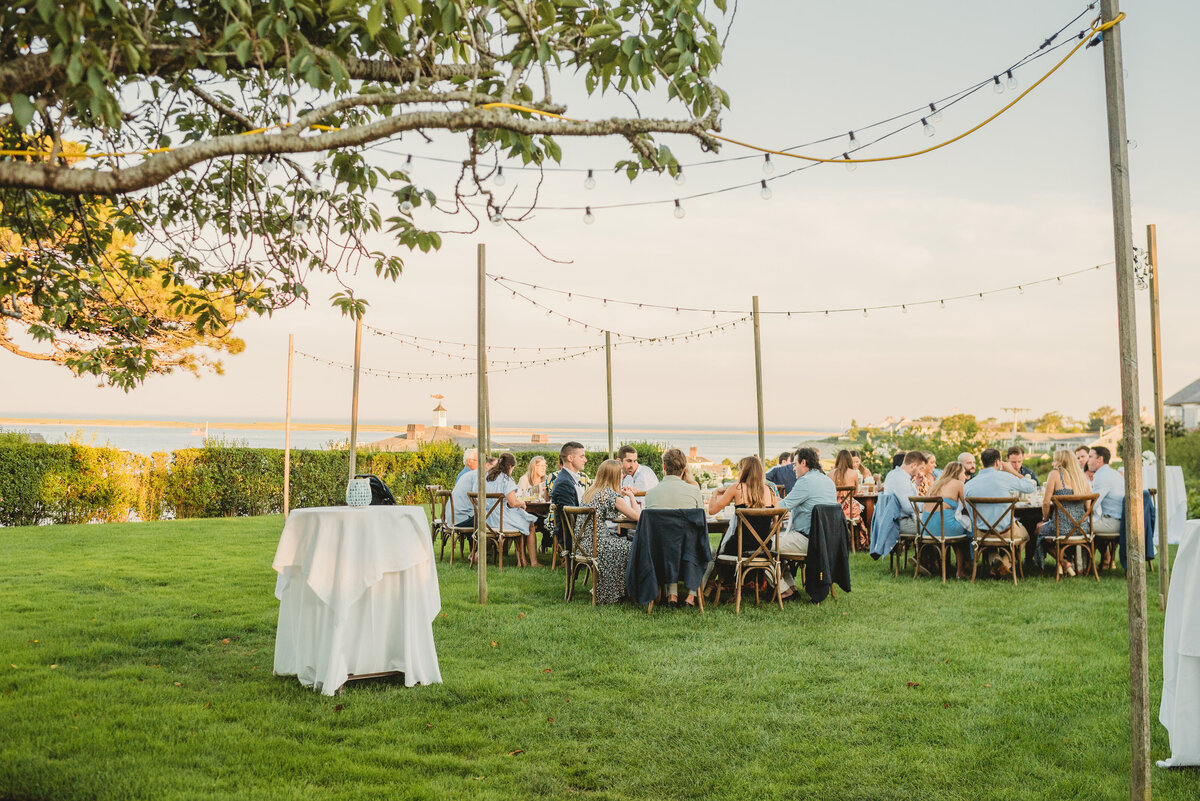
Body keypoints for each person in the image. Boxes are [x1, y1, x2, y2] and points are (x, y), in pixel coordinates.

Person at [709, 456, 795, 601]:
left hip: (739, 547)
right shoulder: (770, 492)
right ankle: (738, 587)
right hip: (764, 548)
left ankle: (718, 586)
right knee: (728, 541)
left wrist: (715, 494)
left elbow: (712, 511)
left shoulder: (737, 488)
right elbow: (777, 524)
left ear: (744, 471)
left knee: (724, 544)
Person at [644, 447, 705, 606]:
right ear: (685, 469)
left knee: (670, 548)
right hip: (688, 549)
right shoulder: (694, 491)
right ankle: (691, 596)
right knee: (708, 553)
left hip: (659, 551)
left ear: (664, 467)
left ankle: (672, 595)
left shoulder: (651, 494)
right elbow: (701, 521)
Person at [963, 448, 1037, 576]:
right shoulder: (1006, 477)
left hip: (981, 533)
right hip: (1005, 533)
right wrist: (1013, 471)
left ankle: (996, 562)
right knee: (1026, 536)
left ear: (982, 462)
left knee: (990, 543)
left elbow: (970, 513)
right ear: (998, 462)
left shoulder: (969, 485)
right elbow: (1031, 487)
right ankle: (1005, 563)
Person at [577, 459, 642, 604]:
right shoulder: (610, 495)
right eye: (620, 474)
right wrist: (631, 496)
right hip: (598, 545)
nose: (622, 477)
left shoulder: (590, 492)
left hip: (582, 544)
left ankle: (618, 588)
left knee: (625, 543)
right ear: (614, 476)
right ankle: (625, 591)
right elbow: (638, 517)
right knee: (633, 547)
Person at [777, 447, 838, 596]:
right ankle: (790, 587)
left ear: (804, 462)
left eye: (795, 464)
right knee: (775, 544)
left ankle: (785, 589)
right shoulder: (827, 481)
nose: (793, 468)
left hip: (809, 541)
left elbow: (780, 507)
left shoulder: (805, 481)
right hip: (827, 542)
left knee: (763, 546)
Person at [1034, 449, 1093, 576]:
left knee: (1039, 531)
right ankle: (1064, 563)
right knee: (1047, 530)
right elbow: (1088, 507)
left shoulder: (1055, 474)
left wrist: (1044, 520)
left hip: (1061, 528)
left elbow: (1045, 502)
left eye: (1054, 460)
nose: (1052, 463)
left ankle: (1063, 562)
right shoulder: (1082, 477)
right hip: (1082, 528)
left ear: (1060, 461)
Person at [485, 453, 540, 567]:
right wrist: (521, 503)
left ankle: (522, 560)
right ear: (510, 466)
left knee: (521, 519)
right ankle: (533, 562)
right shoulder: (506, 479)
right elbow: (513, 502)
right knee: (529, 523)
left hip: (486, 520)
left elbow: (476, 498)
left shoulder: (486, 477)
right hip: (500, 520)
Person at [919, 462, 971, 579]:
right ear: (957, 473)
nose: (965, 476)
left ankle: (948, 566)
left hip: (926, 529)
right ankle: (963, 568)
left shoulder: (936, 484)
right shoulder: (958, 484)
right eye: (964, 473)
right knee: (968, 528)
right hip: (944, 529)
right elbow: (968, 506)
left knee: (959, 527)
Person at [1088, 445, 1124, 568]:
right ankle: (1103, 560)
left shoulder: (1101, 476)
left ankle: (1081, 566)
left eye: (1090, 456)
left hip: (1113, 522)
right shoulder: (1113, 473)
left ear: (1100, 459)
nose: (1088, 460)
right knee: (1084, 524)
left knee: (1077, 526)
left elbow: (1093, 505)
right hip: (1120, 519)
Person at [550, 441, 587, 549]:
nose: (585, 460)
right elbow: (571, 517)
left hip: (581, 532)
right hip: (576, 539)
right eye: (582, 457)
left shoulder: (570, 479)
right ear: (570, 458)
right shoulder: (564, 482)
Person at [884, 450, 927, 537]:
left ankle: (924, 550)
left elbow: (909, 498)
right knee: (936, 527)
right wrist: (927, 505)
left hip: (901, 520)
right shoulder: (900, 479)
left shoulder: (897, 474)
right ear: (913, 465)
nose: (920, 472)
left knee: (935, 523)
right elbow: (909, 507)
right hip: (900, 523)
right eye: (920, 468)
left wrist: (916, 484)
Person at [830, 450, 863, 531]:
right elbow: (855, 494)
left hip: (834, 508)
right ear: (849, 460)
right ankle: (856, 538)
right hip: (849, 510)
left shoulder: (830, 473)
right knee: (862, 510)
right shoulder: (854, 473)